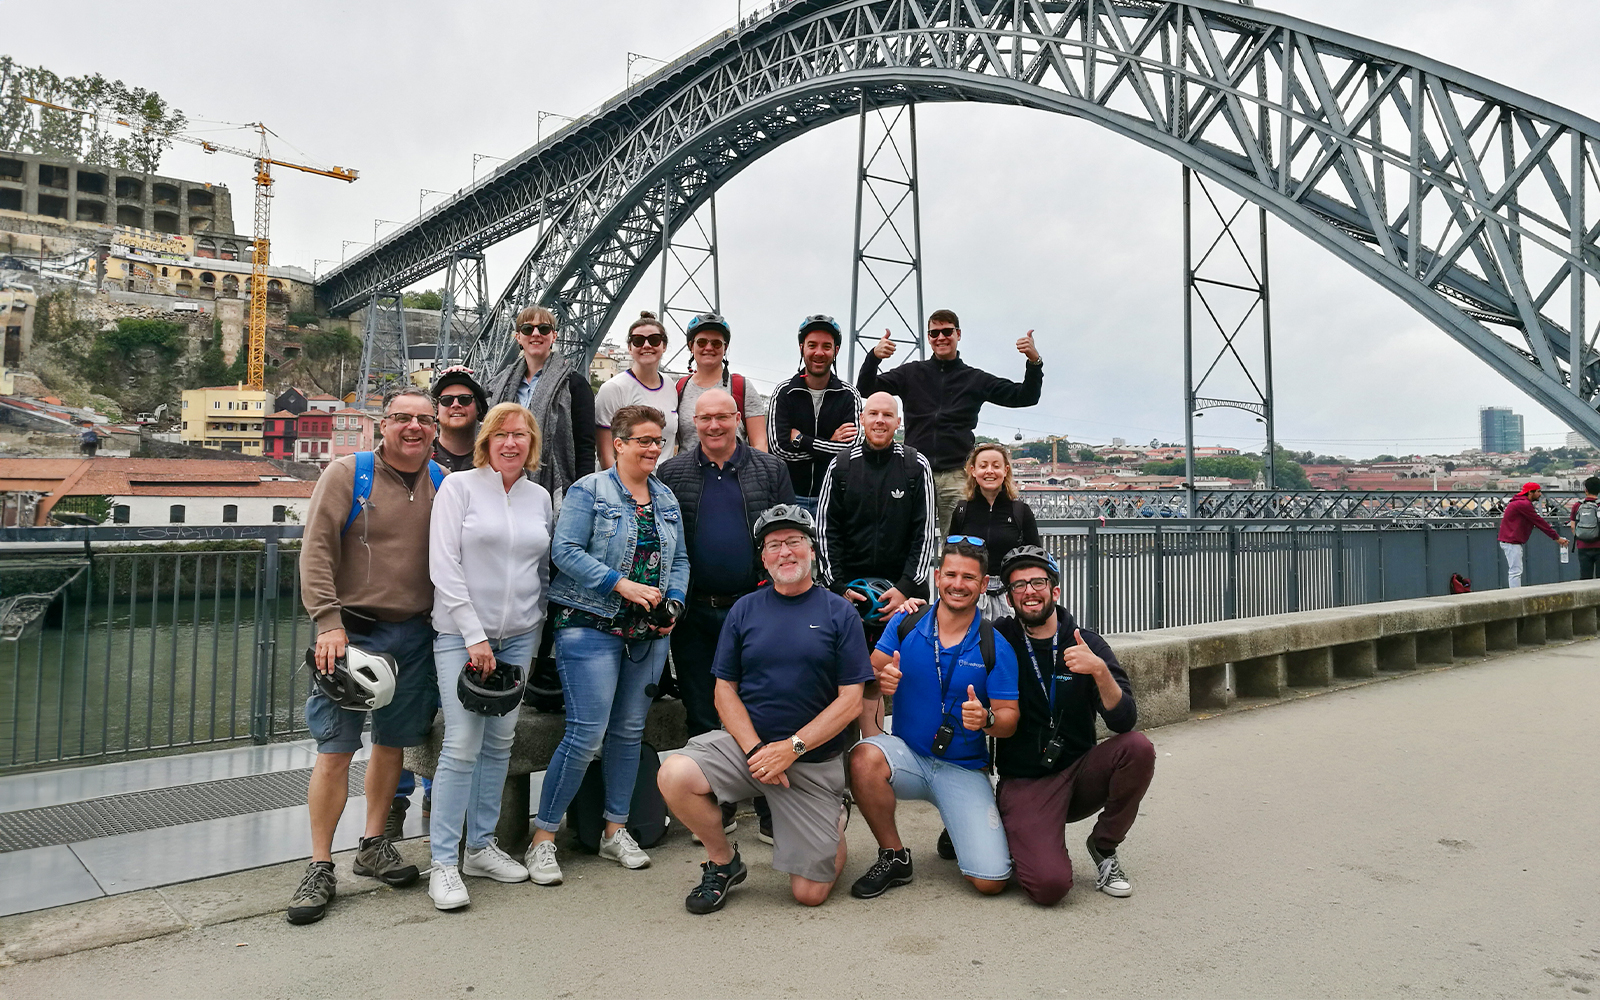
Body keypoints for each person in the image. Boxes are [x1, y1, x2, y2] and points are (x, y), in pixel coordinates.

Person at [657, 504, 870, 913]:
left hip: (809, 760)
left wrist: (791, 748)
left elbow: (850, 702)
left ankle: (835, 816)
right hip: (748, 752)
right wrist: (757, 751)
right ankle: (723, 862)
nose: (785, 552)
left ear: (812, 550)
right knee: (675, 774)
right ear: (763, 558)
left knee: (809, 895)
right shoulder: (745, 609)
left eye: (794, 542)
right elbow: (724, 692)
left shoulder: (839, 612)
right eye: (774, 545)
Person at [289, 387, 444, 925]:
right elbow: (316, 549)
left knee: (392, 745)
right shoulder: (347, 473)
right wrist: (328, 622)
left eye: (425, 420)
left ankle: (373, 843)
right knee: (335, 749)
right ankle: (319, 863)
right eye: (403, 418)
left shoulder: (442, 483)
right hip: (352, 636)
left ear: (436, 428)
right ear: (384, 424)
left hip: (415, 635)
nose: (414, 428)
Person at [530, 404, 690, 885]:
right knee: (586, 733)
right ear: (618, 444)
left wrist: (675, 606)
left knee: (628, 732)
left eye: (657, 440)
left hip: (648, 632)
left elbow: (679, 559)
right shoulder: (589, 490)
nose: (652, 449)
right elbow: (565, 552)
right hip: (589, 622)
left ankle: (614, 830)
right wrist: (621, 585)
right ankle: (543, 839)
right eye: (642, 440)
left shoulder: (665, 497)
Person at [424, 403, 554, 910]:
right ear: (486, 440)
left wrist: (535, 627)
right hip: (461, 635)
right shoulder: (458, 488)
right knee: (461, 744)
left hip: (520, 635)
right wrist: (475, 635)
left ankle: (481, 846)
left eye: (521, 435)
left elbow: (540, 571)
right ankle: (442, 861)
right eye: (501, 433)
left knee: (500, 742)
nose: (511, 443)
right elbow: (444, 564)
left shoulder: (539, 497)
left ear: (532, 443)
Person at [656, 389, 795, 841]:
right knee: (701, 708)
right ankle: (717, 805)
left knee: (763, 707)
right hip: (696, 611)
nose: (714, 426)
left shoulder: (770, 469)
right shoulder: (671, 472)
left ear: (738, 418)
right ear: (692, 423)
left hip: (753, 607)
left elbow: (789, 535)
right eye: (704, 419)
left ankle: (770, 806)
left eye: (722, 417)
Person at [848, 537, 1020, 899]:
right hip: (908, 757)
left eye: (969, 578)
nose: (959, 584)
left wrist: (987, 718)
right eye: (952, 574)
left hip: (962, 767)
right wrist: (880, 684)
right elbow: (864, 689)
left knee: (991, 881)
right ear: (937, 577)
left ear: (984, 584)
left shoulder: (995, 645)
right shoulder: (906, 625)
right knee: (863, 758)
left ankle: (959, 821)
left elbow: (1009, 720)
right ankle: (894, 855)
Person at [991, 544, 1154, 904]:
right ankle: (1003, 825)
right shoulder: (999, 638)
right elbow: (951, 625)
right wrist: (910, 608)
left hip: (1079, 771)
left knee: (1138, 748)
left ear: (1055, 589)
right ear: (1009, 597)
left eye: (1037, 582)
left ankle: (1104, 847)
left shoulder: (1086, 642)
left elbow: (1124, 720)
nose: (1029, 591)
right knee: (1050, 888)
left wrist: (1099, 671)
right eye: (1018, 586)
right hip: (1026, 780)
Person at [856, 309, 1043, 535]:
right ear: (928, 337)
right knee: (904, 539)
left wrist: (1034, 362)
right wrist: (874, 357)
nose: (941, 337)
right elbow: (866, 388)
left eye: (947, 331)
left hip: (957, 475)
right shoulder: (912, 373)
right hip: (915, 471)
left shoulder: (974, 379)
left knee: (957, 544)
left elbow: (1025, 396)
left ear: (958, 334)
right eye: (935, 333)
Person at [816, 391, 937, 626]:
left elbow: (924, 535)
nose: (880, 420)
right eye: (873, 414)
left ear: (898, 423)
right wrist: (838, 587)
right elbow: (825, 532)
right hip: (849, 593)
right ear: (862, 419)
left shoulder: (916, 465)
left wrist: (905, 588)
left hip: (905, 595)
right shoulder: (840, 466)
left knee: (902, 662)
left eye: (888, 415)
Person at [483, 306, 597, 502]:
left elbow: (585, 446)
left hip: (558, 489)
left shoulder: (575, 385)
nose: (536, 334)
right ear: (518, 337)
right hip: (502, 484)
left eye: (543, 329)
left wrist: (582, 495)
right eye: (528, 329)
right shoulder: (499, 384)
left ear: (553, 336)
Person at [768, 315, 862, 515]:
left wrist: (801, 440)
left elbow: (851, 451)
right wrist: (829, 443)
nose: (819, 352)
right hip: (789, 497)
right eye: (812, 345)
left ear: (836, 351)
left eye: (826, 346)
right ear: (802, 348)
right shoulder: (784, 392)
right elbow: (778, 450)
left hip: (834, 497)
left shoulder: (848, 395)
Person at [948, 442, 1041, 618]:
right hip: (972, 593)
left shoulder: (1020, 511)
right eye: (983, 466)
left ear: (1005, 471)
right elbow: (953, 556)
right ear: (973, 471)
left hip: (1010, 594)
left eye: (996, 466)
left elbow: (1035, 558)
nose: (989, 471)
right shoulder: (962, 510)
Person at [673, 312, 769, 454]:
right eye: (701, 342)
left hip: (734, 474)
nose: (709, 347)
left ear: (725, 349)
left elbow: (760, 444)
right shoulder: (680, 388)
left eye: (717, 343)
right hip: (687, 474)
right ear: (691, 346)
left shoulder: (742, 387)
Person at [596, 312, 679, 468]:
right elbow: (605, 453)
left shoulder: (670, 385)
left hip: (665, 485)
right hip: (627, 486)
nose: (646, 345)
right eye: (638, 341)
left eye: (654, 340)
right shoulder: (613, 389)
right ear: (629, 347)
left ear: (664, 345)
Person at [1498, 481, 1565, 587]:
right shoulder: (1524, 504)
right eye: (1538, 491)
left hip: (1509, 540)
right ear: (1530, 492)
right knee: (1515, 571)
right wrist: (1557, 538)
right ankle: (1515, 596)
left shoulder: (1518, 502)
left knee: (1515, 570)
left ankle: (1515, 594)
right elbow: (1539, 521)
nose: (1540, 494)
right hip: (1512, 541)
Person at [430, 365, 489, 473]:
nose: (455, 405)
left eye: (465, 399)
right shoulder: (420, 458)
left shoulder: (494, 460)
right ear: (436, 411)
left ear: (479, 409)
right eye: (446, 400)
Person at [1570, 476, 1600, 580]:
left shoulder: (1577, 505)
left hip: (1583, 545)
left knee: (1585, 578)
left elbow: (1572, 526)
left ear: (1585, 490)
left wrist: (1580, 537)